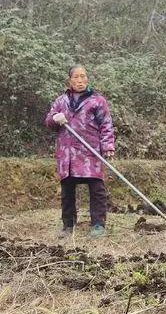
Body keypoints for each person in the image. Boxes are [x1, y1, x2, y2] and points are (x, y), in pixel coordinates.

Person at [44, 66, 116, 237]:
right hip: (67, 154)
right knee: (67, 190)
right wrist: (55, 118)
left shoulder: (97, 101)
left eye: (83, 77)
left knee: (97, 188)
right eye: (76, 77)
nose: (80, 80)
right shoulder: (61, 101)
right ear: (70, 81)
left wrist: (107, 146)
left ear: (87, 79)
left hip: (90, 151)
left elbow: (106, 125)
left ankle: (98, 225)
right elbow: (48, 121)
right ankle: (68, 225)